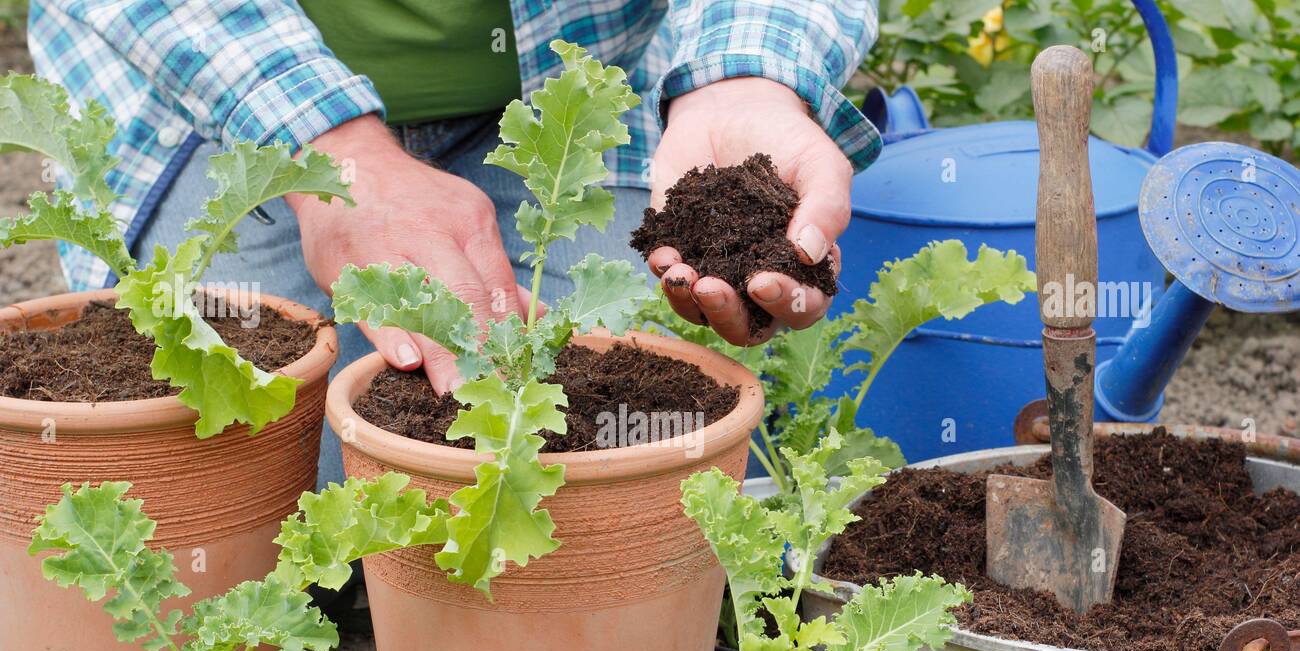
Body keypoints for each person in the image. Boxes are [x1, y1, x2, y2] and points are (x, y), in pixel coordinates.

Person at [29, 1, 881, 485]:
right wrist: (330, 149)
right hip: (217, 94)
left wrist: (742, 75)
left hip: (577, 85)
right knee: (228, 467)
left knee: (635, 432)